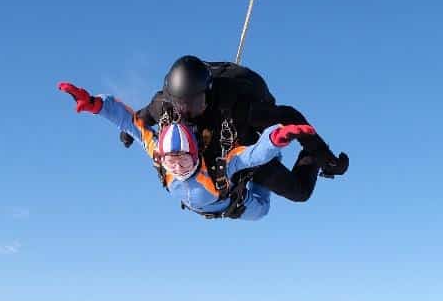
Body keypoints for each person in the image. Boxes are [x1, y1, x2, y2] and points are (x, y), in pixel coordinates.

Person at [58, 82, 321, 220]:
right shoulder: (159, 155)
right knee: (260, 195)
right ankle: (273, 157)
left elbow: (250, 155)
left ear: (195, 155)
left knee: (262, 208)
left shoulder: (216, 167)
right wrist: (94, 104)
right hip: (211, 206)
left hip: (237, 205)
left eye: (183, 160)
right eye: (171, 162)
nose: (177, 167)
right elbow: (130, 123)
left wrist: (276, 138)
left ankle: (307, 158)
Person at [136, 56, 349, 187]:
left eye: (195, 103)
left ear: (208, 94)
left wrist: (324, 156)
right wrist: (127, 132)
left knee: (299, 191)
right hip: (210, 156)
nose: (187, 111)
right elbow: (142, 117)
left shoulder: (239, 107)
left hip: (241, 141)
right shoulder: (163, 106)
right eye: (181, 104)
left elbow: (289, 116)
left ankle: (309, 159)